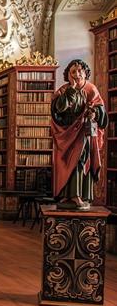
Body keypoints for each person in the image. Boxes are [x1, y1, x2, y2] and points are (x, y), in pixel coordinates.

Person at [51, 59, 107, 210]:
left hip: (84, 133)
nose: (77, 74)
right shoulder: (63, 90)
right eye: (73, 71)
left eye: (80, 70)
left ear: (85, 72)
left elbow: (101, 112)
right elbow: (58, 110)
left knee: (80, 161)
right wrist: (71, 90)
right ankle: (66, 195)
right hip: (67, 134)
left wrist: (94, 113)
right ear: (68, 75)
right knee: (65, 163)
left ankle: (78, 195)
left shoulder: (91, 89)